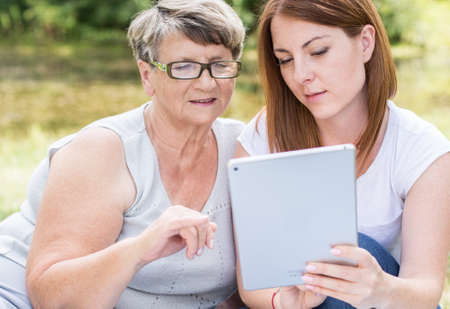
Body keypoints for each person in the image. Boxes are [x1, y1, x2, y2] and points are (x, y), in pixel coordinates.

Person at [0, 0, 247, 308]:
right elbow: (52, 298)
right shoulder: (101, 151)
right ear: (147, 75)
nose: (207, 82)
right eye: (183, 67)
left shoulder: (244, 146)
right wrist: (141, 248)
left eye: (220, 65)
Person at [235, 0, 450, 308]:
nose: (301, 75)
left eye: (318, 52)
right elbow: (252, 284)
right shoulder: (261, 139)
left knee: (348, 255)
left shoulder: (422, 150)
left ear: (365, 43)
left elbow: (426, 290)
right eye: (285, 60)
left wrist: (378, 288)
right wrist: (287, 302)